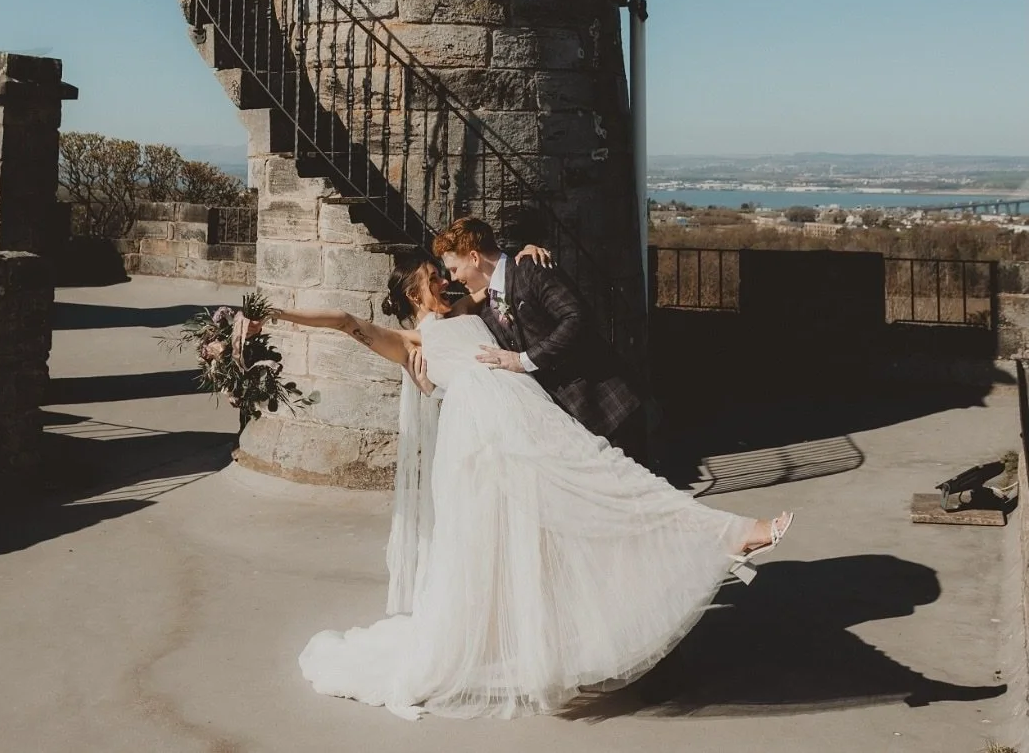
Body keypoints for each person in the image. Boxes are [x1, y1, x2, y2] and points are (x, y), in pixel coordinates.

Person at [272, 250, 793, 720]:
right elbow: (344, 322)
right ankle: (731, 535)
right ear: (414, 294)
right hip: (482, 443)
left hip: (531, 419)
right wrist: (269, 314)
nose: (444, 282)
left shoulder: (471, 309)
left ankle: (725, 535)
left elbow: (500, 280)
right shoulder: (413, 340)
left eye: (443, 272)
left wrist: (524, 250)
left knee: (602, 481)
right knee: (501, 543)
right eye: (435, 278)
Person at [434, 216, 648, 462]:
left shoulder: (531, 266)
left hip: (607, 410)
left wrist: (523, 360)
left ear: (474, 257)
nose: (451, 279)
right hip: (568, 428)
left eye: (454, 268)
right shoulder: (485, 305)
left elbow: (576, 319)